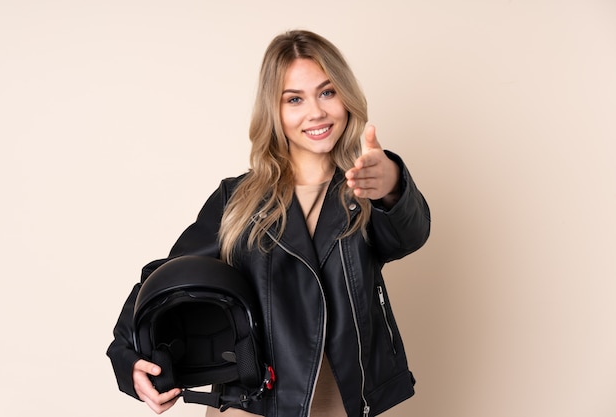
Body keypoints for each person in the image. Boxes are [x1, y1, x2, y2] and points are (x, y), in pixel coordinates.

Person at [107, 29, 431, 417]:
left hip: (344, 400)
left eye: (327, 92)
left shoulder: (363, 188)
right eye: (295, 99)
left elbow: (409, 235)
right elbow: (166, 276)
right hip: (253, 401)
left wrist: (391, 183)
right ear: (273, 111)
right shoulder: (237, 199)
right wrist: (127, 357)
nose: (316, 112)